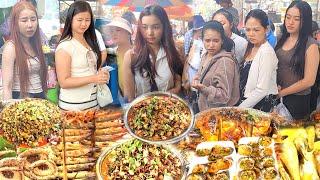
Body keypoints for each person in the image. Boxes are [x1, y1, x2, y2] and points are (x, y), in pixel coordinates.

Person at [55, 1, 109, 111]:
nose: (84, 24)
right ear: (71, 20)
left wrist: (100, 73)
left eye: (87, 20)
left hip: (93, 104)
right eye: (79, 20)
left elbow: (90, 69)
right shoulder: (65, 46)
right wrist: (94, 78)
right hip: (72, 108)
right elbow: (64, 82)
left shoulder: (89, 40)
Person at [122, 5, 183, 102]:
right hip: (141, 113)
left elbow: (178, 83)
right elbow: (129, 97)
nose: (149, 33)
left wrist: (166, 96)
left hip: (169, 111)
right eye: (144, 27)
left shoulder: (174, 52)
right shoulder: (131, 56)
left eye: (156, 27)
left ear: (164, 27)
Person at [276, 1, 319, 120]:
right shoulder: (281, 39)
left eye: (296, 19)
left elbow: (309, 81)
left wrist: (281, 93)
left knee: (292, 136)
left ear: (304, 21)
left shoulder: (311, 45)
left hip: (297, 101)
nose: (290, 22)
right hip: (278, 97)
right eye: (288, 17)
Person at [2, 1, 47, 100]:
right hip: (21, 101)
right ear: (15, 23)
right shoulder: (11, 48)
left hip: (40, 98)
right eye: (24, 20)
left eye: (33, 19)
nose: (30, 25)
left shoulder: (35, 44)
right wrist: (8, 110)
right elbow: (7, 86)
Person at [191, 20, 239, 112]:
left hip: (218, 115)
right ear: (202, 40)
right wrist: (197, 78)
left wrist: (204, 89)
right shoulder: (206, 55)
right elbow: (203, 73)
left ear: (222, 41)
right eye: (207, 40)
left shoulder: (225, 62)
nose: (211, 45)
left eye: (216, 41)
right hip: (204, 110)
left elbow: (225, 96)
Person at [238, 9, 278, 112]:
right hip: (247, 103)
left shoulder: (266, 52)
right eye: (248, 30)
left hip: (258, 106)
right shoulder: (250, 47)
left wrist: (239, 109)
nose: (251, 34)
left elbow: (262, 90)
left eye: (256, 30)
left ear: (266, 29)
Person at [105, 17, 133, 94]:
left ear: (128, 32)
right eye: (111, 31)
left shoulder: (138, 54)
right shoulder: (110, 54)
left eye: (118, 30)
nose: (114, 34)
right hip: (118, 101)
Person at [182, 15, 205, 92]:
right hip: (191, 67)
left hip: (203, 69)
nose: (200, 31)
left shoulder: (205, 34)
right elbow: (186, 52)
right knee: (191, 86)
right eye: (198, 29)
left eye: (201, 29)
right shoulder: (189, 35)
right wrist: (186, 69)